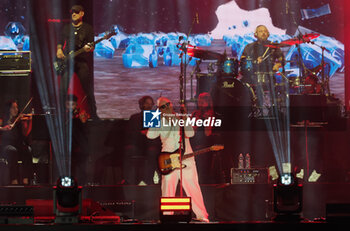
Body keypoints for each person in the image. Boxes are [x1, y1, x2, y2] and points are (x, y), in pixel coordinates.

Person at [147, 97, 209, 222]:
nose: (166, 108)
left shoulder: (181, 117)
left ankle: (202, 216)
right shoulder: (158, 120)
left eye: (168, 104)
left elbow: (190, 134)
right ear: (159, 109)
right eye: (162, 107)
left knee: (192, 186)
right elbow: (150, 135)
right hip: (168, 159)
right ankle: (167, 216)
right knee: (167, 187)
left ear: (171, 105)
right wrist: (156, 118)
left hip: (186, 157)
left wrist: (185, 118)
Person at [56, 5, 98, 120]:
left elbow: (92, 46)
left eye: (76, 12)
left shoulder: (88, 28)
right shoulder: (66, 28)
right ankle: (61, 115)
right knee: (62, 90)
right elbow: (60, 41)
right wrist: (59, 49)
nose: (73, 14)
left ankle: (94, 115)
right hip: (67, 62)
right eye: (72, 12)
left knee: (88, 90)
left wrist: (89, 48)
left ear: (82, 14)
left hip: (81, 61)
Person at [240, 25, 285, 115]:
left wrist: (278, 64)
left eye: (265, 31)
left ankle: (273, 110)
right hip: (252, 76)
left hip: (269, 76)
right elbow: (243, 62)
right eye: (260, 31)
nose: (263, 33)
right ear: (255, 34)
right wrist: (254, 61)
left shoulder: (273, 46)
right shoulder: (249, 47)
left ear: (268, 34)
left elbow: (282, 60)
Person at [123, 96, 160, 185]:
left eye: (151, 103)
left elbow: (157, 135)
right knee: (129, 150)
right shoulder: (134, 117)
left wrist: (149, 133)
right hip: (137, 144)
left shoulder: (154, 116)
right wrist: (140, 133)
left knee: (152, 151)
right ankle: (129, 179)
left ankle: (149, 179)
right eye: (147, 103)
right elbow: (129, 133)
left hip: (150, 144)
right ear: (141, 104)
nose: (149, 105)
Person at [0, 100, 32, 185]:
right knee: (12, 151)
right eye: (13, 107)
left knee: (27, 150)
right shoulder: (3, 120)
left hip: (17, 144)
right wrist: (3, 128)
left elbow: (25, 134)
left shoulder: (19, 121)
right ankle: (14, 179)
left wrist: (29, 122)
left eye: (16, 107)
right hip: (6, 146)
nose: (16, 109)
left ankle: (26, 179)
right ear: (8, 109)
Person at [190, 92, 220, 184]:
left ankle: (204, 181)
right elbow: (191, 131)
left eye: (203, 100)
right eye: (200, 100)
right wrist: (195, 121)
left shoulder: (212, 114)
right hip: (195, 141)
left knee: (202, 158)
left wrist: (207, 120)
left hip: (207, 142)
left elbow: (208, 133)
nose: (201, 103)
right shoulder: (195, 113)